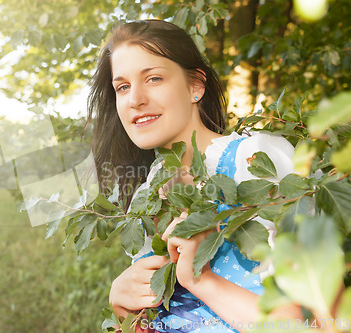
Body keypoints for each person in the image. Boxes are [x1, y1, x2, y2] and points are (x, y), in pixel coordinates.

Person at [86, 20, 301, 333]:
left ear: (195, 86)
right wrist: (121, 307)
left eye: (153, 78)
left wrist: (201, 280)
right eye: (123, 87)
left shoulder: (254, 158)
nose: (135, 99)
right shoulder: (147, 194)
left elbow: (319, 321)